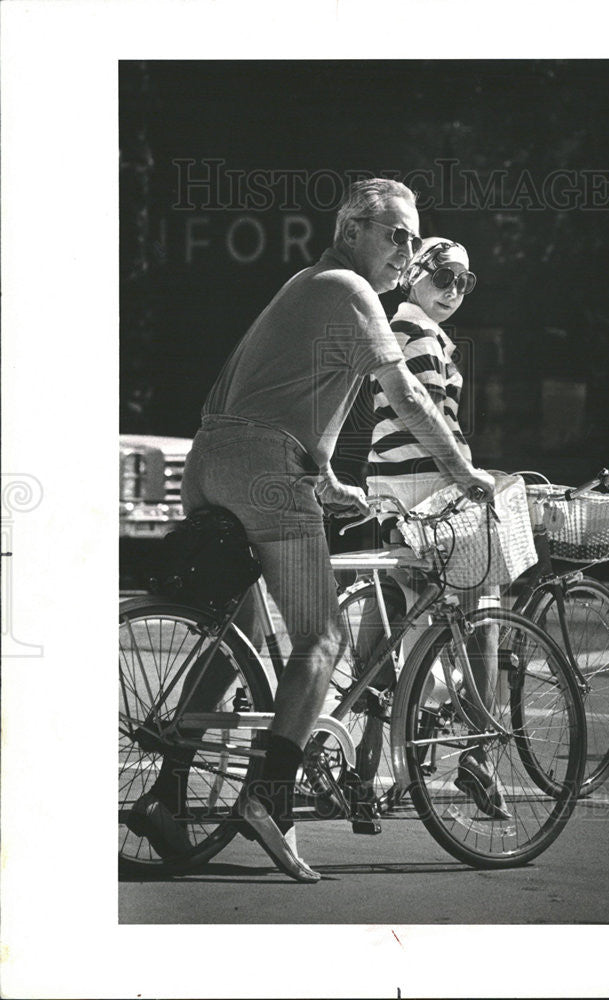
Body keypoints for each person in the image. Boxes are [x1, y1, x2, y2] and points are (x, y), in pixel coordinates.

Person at [130, 179, 495, 882]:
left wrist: (326, 477)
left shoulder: (307, 285)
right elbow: (410, 398)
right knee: (322, 641)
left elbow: (286, 390)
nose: (409, 252)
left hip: (213, 461)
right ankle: (268, 803)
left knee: (229, 639)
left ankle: (168, 801)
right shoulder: (349, 289)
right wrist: (464, 472)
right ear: (355, 227)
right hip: (264, 472)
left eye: (417, 240)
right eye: (398, 235)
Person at [361, 236, 511, 819]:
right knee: (483, 614)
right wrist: (470, 474)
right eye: (444, 276)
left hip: (392, 492)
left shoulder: (407, 330)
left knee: (394, 620)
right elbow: (423, 416)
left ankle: (367, 770)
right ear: (415, 274)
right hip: (426, 488)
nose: (454, 291)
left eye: (465, 283)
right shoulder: (417, 334)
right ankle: (478, 752)